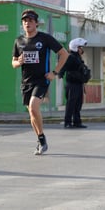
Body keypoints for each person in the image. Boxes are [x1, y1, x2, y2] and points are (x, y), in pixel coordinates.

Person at [12, 9, 69, 155]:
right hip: (26, 82)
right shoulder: (19, 41)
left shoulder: (45, 38)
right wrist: (18, 62)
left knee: (33, 106)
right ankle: (41, 139)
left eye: (30, 20)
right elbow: (13, 62)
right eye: (25, 21)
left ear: (36, 23)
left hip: (42, 80)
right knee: (32, 113)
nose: (27, 23)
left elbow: (64, 54)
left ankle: (42, 138)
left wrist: (54, 72)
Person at [58, 38, 89, 128]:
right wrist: (60, 74)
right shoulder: (70, 57)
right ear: (76, 47)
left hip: (79, 84)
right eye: (80, 47)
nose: (82, 49)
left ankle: (77, 122)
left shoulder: (78, 57)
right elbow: (63, 66)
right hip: (72, 84)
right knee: (71, 104)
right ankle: (67, 122)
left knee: (78, 104)